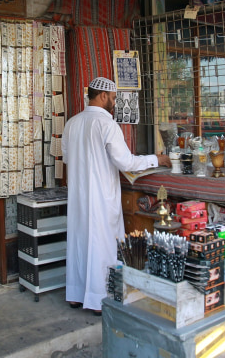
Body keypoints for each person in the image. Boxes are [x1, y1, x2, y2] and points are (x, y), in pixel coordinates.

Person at [61, 77, 171, 315]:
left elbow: (68, 159)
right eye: (113, 97)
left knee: (80, 242)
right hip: (100, 197)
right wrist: (156, 159)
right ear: (102, 96)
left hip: (79, 197)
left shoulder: (72, 123)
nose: (114, 101)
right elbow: (126, 162)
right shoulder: (107, 125)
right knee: (101, 245)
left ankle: (76, 295)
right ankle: (100, 297)